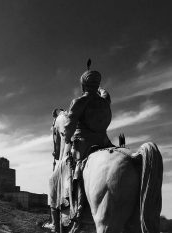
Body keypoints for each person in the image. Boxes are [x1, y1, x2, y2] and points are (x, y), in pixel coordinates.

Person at [48, 62, 113, 232]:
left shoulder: (79, 101)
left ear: (83, 85)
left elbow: (69, 128)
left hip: (83, 145)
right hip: (105, 143)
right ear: (97, 84)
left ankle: (60, 223)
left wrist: (66, 136)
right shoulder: (105, 100)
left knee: (54, 179)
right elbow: (105, 93)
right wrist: (99, 87)